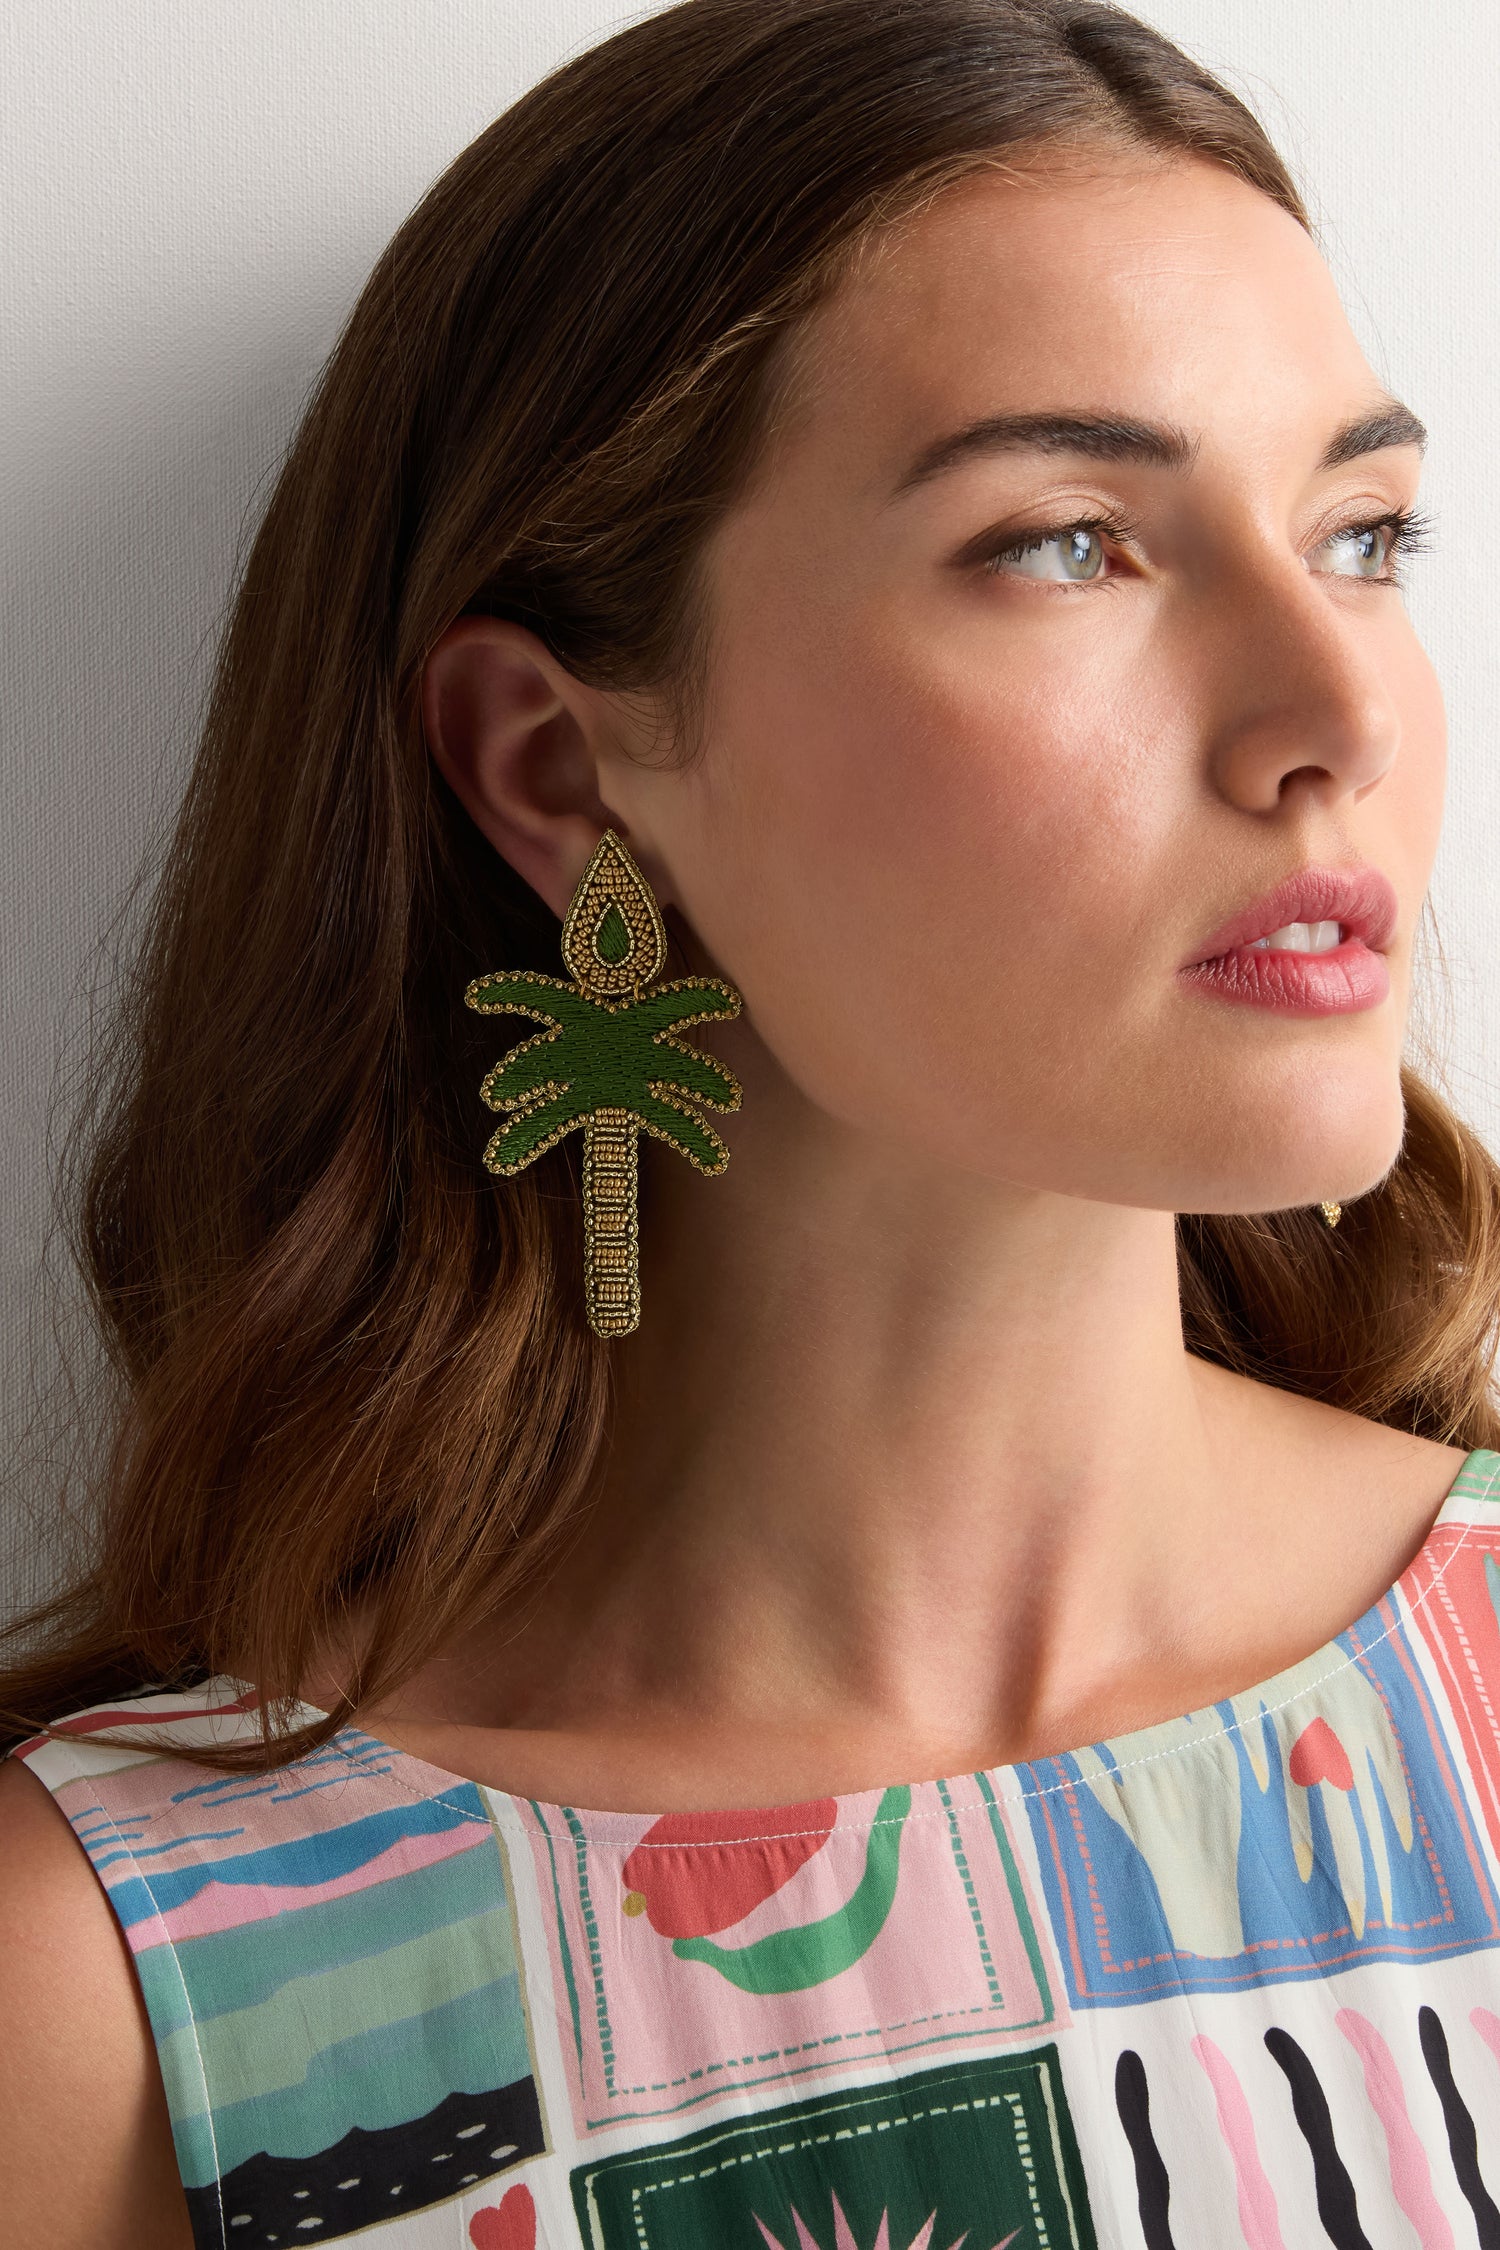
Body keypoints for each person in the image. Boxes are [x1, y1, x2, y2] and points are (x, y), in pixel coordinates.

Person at [4, 0, 1500, 2242]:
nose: (1336, 714)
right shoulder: (123, 1991)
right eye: (1069, 543)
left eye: (1365, 532)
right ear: (557, 767)